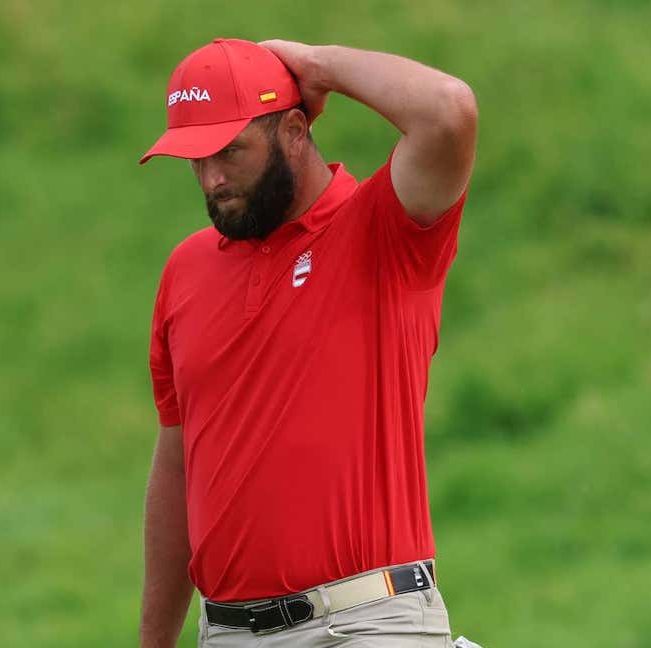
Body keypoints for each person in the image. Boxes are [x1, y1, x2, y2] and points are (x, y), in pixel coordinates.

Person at [138, 37, 478, 648]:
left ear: (295, 129)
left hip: (369, 623)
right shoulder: (185, 271)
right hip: (228, 633)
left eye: (230, 152)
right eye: (195, 160)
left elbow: (448, 110)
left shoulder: (385, 229)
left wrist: (315, 66)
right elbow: (179, 464)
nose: (211, 179)